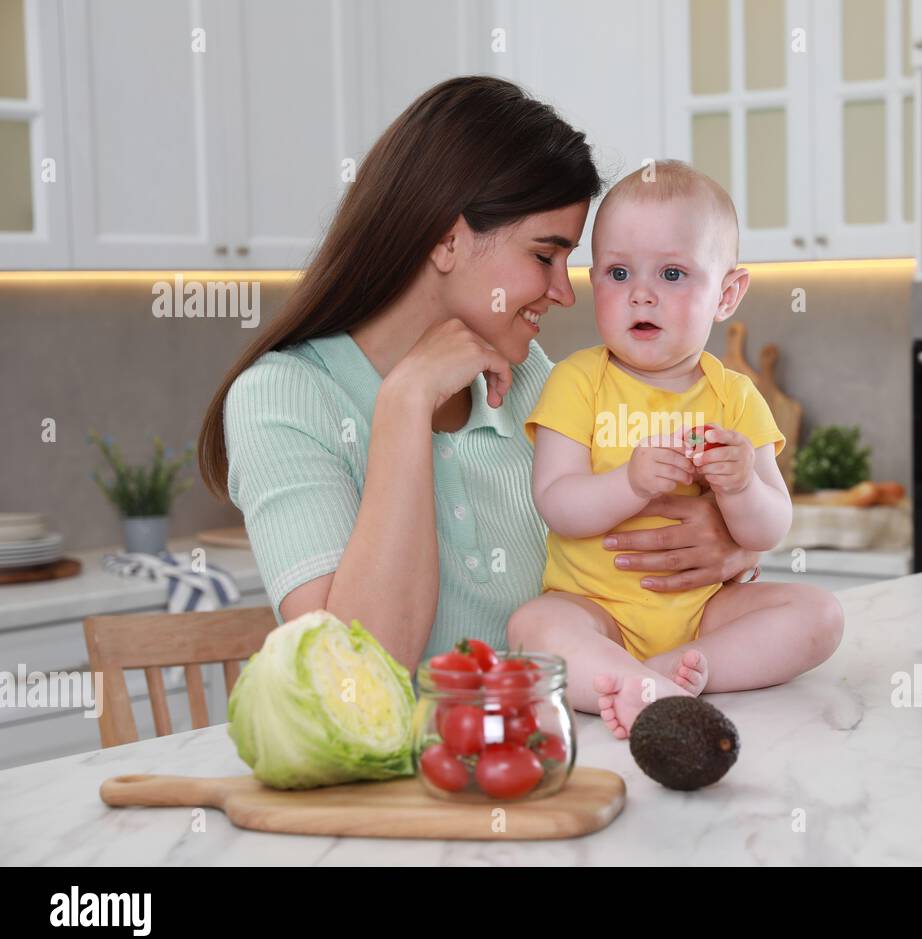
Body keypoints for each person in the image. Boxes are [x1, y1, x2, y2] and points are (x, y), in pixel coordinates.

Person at [196, 77, 765, 678]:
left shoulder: (529, 379)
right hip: (415, 770)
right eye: (545, 256)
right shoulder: (283, 398)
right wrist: (406, 403)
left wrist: (732, 545)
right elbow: (357, 676)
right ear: (447, 239)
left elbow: (620, 553)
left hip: (571, 749)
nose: (561, 292)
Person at [511, 161, 844, 737]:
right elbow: (557, 502)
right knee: (533, 626)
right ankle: (630, 675)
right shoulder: (576, 380)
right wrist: (631, 483)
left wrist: (740, 486)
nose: (641, 294)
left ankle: (676, 672)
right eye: (618, 273)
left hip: (706, 612)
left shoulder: (736, 396)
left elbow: (769, 530)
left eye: (672, 273)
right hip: (597, 607)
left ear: (728, 294)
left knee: (821, 616)